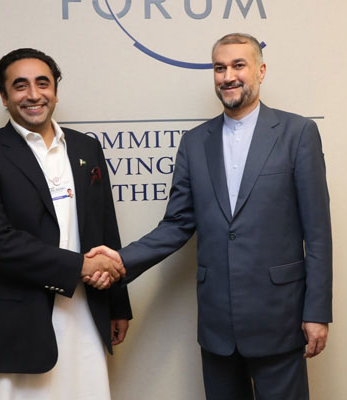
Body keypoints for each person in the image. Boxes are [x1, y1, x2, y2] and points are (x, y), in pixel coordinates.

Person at [87, 33, 332, 399]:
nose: (227, 76)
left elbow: (317, 234)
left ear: (261, 71)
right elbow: (177, 224)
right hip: (217, 325)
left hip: (279, 318)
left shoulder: (298, 134)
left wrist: (317, 312)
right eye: (219, 68)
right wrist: (121, 259)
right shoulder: (194, 142)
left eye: (238, 65)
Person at [0, 48, 131, 400]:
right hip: (12, 323)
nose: (34, 95)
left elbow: (105, 228)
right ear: (4, 97)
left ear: (55, 90)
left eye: (42, 83)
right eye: (20, 86)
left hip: (84, 314)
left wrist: (117, 304)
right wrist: (81, 266)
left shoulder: (86, 148)